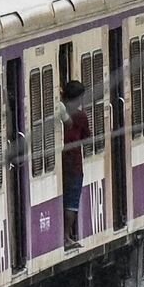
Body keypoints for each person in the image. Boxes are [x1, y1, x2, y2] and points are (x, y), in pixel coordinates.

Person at [59, 80, 92, 250]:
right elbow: (87, 137)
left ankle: (64, 235)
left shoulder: (58, 111)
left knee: (63, 198)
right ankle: (66, 236)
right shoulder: (80, 116)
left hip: (60, 162)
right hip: (74, 163)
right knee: (72, 201)